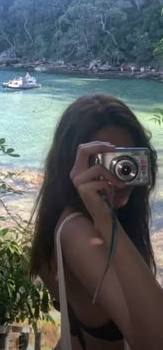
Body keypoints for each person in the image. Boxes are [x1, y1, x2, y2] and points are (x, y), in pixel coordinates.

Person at [29, 93, 163, 350]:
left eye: (127, 159)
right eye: (102, 162)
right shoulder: (78, 232)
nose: (120, 175)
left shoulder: (59, 215)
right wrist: (105, 218)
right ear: (73, 166)